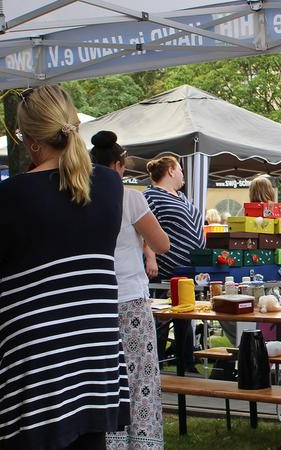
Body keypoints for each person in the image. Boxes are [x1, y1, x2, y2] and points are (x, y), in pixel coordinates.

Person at [0, 85, 129, 450]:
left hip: (40, 353)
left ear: (29, 139)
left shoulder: (15, 192)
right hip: (94, 346)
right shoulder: (109, 183)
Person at [90, 130, 170, 449]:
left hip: (94, 300)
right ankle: (142, 442)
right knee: (139, 379)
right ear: (120, 165)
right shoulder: (130, 197)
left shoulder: (78, 196)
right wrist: (141, 241)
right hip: (131, 300)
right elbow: (162, 243)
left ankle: (109, 442)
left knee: (104, 379)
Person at [143, 155, 205, 373]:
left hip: (187, 271)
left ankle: (186, 363)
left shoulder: (181, 196)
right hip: (164, 268)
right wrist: (150, 256)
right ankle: (156, 365)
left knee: (185, 317)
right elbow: (145, 227)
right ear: (170, 170)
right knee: (161, 319)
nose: (182, 175)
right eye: (180, 170)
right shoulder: (151, 196)